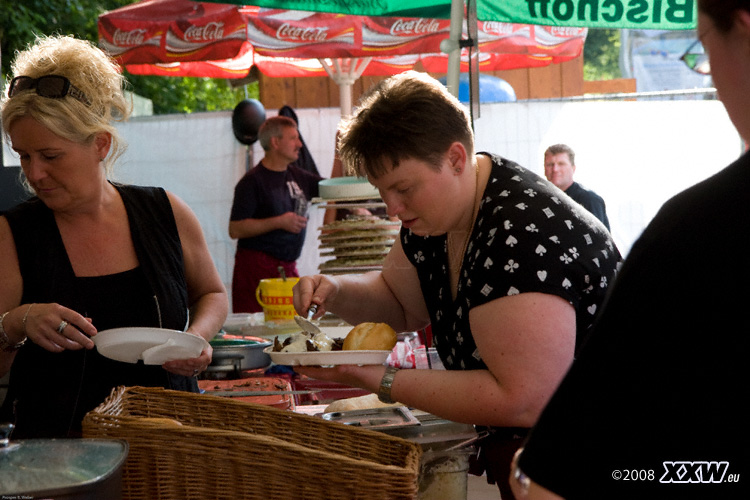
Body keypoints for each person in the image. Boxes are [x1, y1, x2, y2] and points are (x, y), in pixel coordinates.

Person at [292, 71, 620, 498]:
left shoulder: (517, 230)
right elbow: (399, 301)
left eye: (403, 188)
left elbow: (523, 397)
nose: (392, 208)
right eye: (382, 191)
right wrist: (335, 290)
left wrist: (379, 378)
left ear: (456, 158)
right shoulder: (439, 214)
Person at [511, 3, 750, 499]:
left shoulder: (694, 235)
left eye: (703, 50)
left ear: (744, 27)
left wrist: (526, 472)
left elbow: (563, 477)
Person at [0, 35, 228, 439]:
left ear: (100, 145)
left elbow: (212, 294)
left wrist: (195, 339)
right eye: (23, 155)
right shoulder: (13, 233)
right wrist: (17, 322)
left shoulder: (166, 213)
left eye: (50, 156)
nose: (34, 174)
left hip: (173, 447)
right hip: (59, 461)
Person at [229, 115, 322, 313]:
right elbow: (235, 228)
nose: (299, 144)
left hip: (287, 269)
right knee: (256, 331)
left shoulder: (299, 176)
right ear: (275, 142)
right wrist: (279, 222)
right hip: (256, 270)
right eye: (293, 138)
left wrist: (340, 150)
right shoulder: (252, 181)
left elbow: (330, 189)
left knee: (290, 326)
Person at [543, 144, 610, 230]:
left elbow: (598, 239)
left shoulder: (589, 200)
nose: (555, 169)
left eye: (561, 164)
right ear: (544, 168)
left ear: (573, 168)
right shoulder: (541, 200)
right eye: (550, 164)